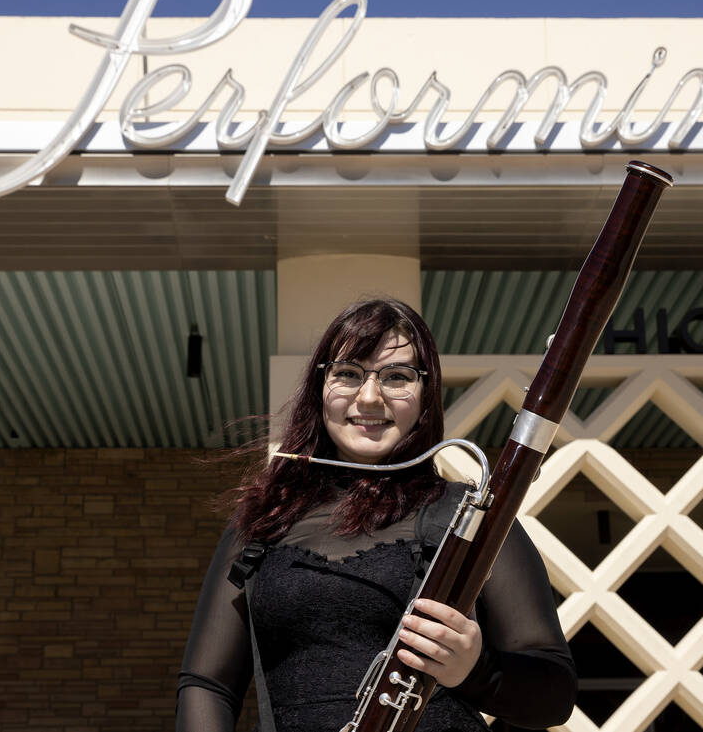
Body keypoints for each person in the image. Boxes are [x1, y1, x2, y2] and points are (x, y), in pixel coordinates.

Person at [176, 298, 577, 731]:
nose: (370, 397)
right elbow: (208, 683)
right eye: (347, 373)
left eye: (397, 377)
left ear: (426, 397)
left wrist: (476, 670)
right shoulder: (262, 522)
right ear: (319, 388)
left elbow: (553, 697)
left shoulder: (471, 517)